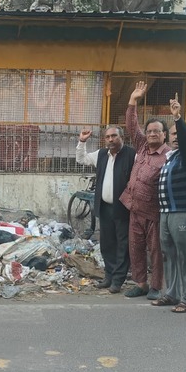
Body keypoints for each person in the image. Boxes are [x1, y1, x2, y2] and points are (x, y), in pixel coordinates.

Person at [120, 81, 170, 299]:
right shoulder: (141, 146)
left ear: (164, 134)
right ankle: (141, 283)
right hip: (134, 209)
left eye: (156, 131)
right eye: (149, 131)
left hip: (154, 213)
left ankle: (156, 286)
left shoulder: (168, 156)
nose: (151, 134)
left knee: (156, 251)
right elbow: (132, 126)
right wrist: (133, 100)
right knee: (135, 247)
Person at [154, 96, 186, 313]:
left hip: (183, 212)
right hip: (166, 213)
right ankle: (172, 294)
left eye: (178, 134)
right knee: (169, 254)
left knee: (185, 256)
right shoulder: (170, 158)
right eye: (172, 134)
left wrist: (178, 119)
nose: (175, 137)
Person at [75, 125, 134, 293]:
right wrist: (82, 142)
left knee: (123, 244)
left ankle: (118, 280)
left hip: (123, 208)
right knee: (107, 244)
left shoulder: (132, 155)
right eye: (107, 137)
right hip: (105, 207)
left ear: (122, 137)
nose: (110, 139)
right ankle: (109, 276)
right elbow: (81, 159)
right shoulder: (101, 154)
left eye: (114, 136)